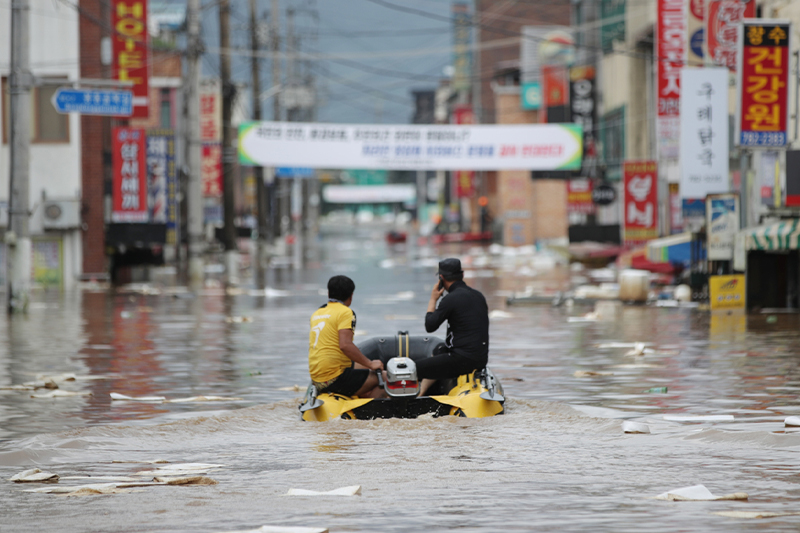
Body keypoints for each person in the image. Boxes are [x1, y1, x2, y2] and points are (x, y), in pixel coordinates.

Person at [416, 258, 489, 396]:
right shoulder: (478, 296)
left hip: (462, 360)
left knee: (410, 369)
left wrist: (433, 299)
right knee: (439, 350)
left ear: (441, 278)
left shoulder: (451, 299)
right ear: (462, 274)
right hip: (480, 359)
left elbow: (430, 325)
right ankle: (422, 391)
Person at [308, 275, 385, 399]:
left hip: (317, 377)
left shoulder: (317, 313)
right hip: (334, 378)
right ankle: (371, 411)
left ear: (328, 293)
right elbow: (345, 345)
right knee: (387, 377)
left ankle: (362, 393)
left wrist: (368, 364)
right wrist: (370, 364)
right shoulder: (345, 312)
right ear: (351, 296)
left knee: (369, 367)